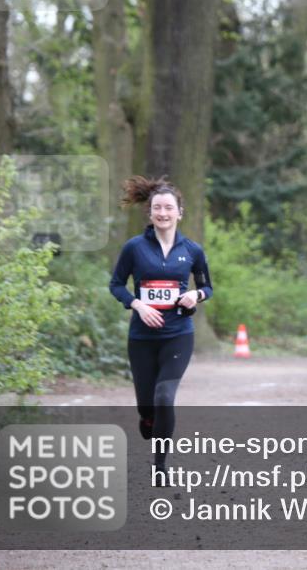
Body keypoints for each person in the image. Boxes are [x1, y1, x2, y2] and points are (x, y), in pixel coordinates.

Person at [109, 176, 212, 480]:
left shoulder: (193, 250)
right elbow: (116, 284)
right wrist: (137, 304)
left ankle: (160, 466)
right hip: (141, 336)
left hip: (178, 334)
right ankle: (147, 417)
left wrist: (196, 295)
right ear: (150, 212)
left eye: (169, 208)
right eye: (157, 208)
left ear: (180, 212)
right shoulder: (134, 248)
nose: (163, 213)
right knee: (147, 404)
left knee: (165, 396)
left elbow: (207, 287)